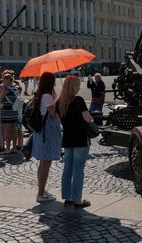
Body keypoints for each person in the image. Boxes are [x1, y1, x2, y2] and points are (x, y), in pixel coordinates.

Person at [56, 75, 93, 208]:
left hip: (67, 138)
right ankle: (77, 200)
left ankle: (68, 197)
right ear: (74, 86)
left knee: (67, 168)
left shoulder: (59, 102)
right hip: (80, 138)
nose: (79, 87)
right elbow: (88, 119)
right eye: (77, 85)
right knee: (78, 169)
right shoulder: (78, 100)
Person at [32, 72, 62, 203]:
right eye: (54, 81)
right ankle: (41, 193)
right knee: (46, 164)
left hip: (41, 133)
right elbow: (53, 114)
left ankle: (42, 189)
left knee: (42, 163)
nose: (55, 82)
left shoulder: (40, 95)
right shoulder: (47, 96)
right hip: (47, 133)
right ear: (50, 83)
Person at [0, 74, 19, 155]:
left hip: (7, 113)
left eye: (4, 80)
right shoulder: (15, 88)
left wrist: (2, 90)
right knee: (13, 131)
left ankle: (7, 149)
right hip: (14, 112)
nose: (3, 82)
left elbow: (1, 99)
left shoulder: (6, 89)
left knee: (7, 131)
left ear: (7, 80)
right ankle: (14, 148)